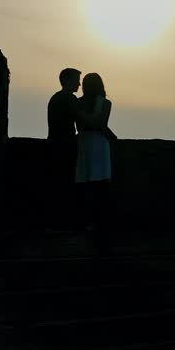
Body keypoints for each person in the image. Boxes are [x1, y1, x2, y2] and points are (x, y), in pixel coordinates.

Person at [74, 72, 114, 236]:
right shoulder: (105, 103)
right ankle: (100, 222)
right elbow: (102, 124)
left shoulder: (78, 103)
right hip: (99, 142)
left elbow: (79, 125)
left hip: (84, 141)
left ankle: (86, 221)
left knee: (85, 182)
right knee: (100, 183)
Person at [46, 67, 81, 229]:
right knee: (65, 185)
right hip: (65, 145)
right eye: (76, 80)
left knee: (57, 185)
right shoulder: (68, 99)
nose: (79, 84)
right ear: (67, 81)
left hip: (54, 144)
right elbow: (82, 119)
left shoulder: (56, 98)